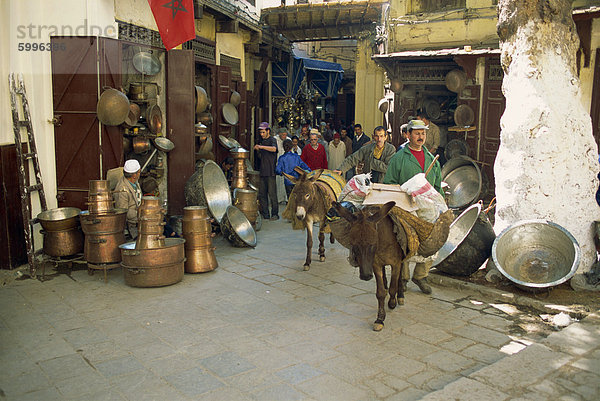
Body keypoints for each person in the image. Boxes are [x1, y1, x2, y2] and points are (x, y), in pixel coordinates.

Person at [383, 119, 443, 294]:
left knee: (431, 242)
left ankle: (421, 276)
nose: (420, 136)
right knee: (405, 242)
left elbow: (437, 187)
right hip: (406, 208)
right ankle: (403, 278)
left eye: (423, 133)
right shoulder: (398, 159)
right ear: (408, 135)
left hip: (428, 209)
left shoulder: (433, 160)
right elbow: (390, 183)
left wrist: (441, 205)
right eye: (416, 133)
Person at [254, 122, 279, 220]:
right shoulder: (262, 141)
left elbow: (274, 149)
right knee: (262, 194)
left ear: (268, 131)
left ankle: (275, 214)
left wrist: (261, 147)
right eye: (261, 133)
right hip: (263, 171)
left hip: (271, 172)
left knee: (272, 194)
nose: (262, 134)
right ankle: (265, 214)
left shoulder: (272, 140)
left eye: (263, 132)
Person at [114, 159, 142, 239]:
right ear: (134, 175)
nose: (140, 174)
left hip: (138, 218)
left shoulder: (134, 182)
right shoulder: (122, 190)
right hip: (132, 225)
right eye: (139, 172)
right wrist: (141, 214)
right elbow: (123, 211)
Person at [275, 128, 289, 204]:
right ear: (279, 134)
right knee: (278, 182)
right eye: (283, 134)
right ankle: (279, 199)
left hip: (287, 165)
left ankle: (286, 198)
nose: (284, 136)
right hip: (278, 163)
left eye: (285, 135)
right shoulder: (275, 140)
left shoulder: (288, 140)